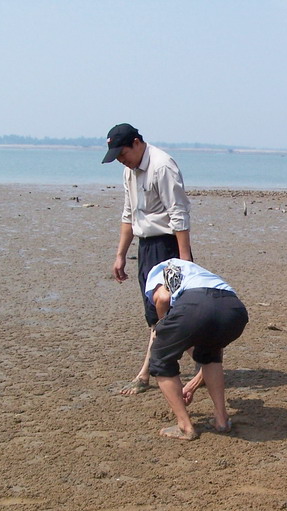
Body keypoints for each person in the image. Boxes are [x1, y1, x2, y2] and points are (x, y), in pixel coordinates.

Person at [102, 123, 194, 396]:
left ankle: (148, 372)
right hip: (146, 248)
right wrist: (120, 255)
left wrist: (184, 260)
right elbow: (129, 213)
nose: (121, 160)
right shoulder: (129, 170)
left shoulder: (162, 166)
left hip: (168, 246)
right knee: (154, 314)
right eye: (116, 156)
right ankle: (162, 367)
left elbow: (179, 213)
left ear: (137, 143)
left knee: (169, 310)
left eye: (123, 153)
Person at [144, 258, 249, 440]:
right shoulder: (195, 269)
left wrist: (162, 327)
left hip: (196, 306)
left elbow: (163, 297)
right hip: (234, 310)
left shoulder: (156, 271)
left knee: (160, 358)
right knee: (210, 354)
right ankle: (222, 420)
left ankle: (185, 426)